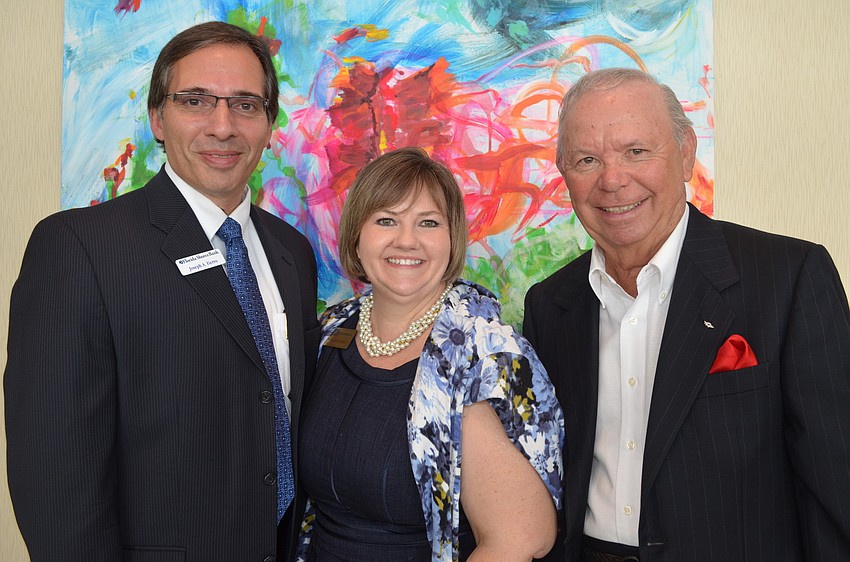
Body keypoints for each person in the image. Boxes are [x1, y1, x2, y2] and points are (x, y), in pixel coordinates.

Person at [5, 21, 320, 562]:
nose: (223, 126)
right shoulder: (79, 248)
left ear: (269, 124)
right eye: (196, 101)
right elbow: (56, 481)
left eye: (245, 105)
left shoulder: (291, 252)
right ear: (157, 117)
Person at [523, 67, 850, 561]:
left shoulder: (788, 277)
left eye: (636, 151)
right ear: (564, 173)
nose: (612, 180)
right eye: (587, 160)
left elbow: (836, 488)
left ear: (685, 154)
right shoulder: (549, 306)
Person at [296, 147, 564, 561]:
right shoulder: (330, 331)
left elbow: (521, 537)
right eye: (386, 220)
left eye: (428, 222)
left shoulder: (480, 357)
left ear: (451, 240)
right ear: (357, 237)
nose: (407, 240)